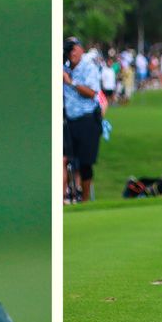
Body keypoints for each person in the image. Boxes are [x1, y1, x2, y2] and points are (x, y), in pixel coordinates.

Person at [63, 36, 102, 203]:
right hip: (68, 121)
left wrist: (71, 82)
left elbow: (92, 92)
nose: (71, 52)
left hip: (87, 120)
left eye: (74, 48)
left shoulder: (88, 67)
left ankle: (85, 201)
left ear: (81, 49)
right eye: (68, 49)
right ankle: (64, 198)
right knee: (64, 159)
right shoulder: (63, 68)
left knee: (85, 163)